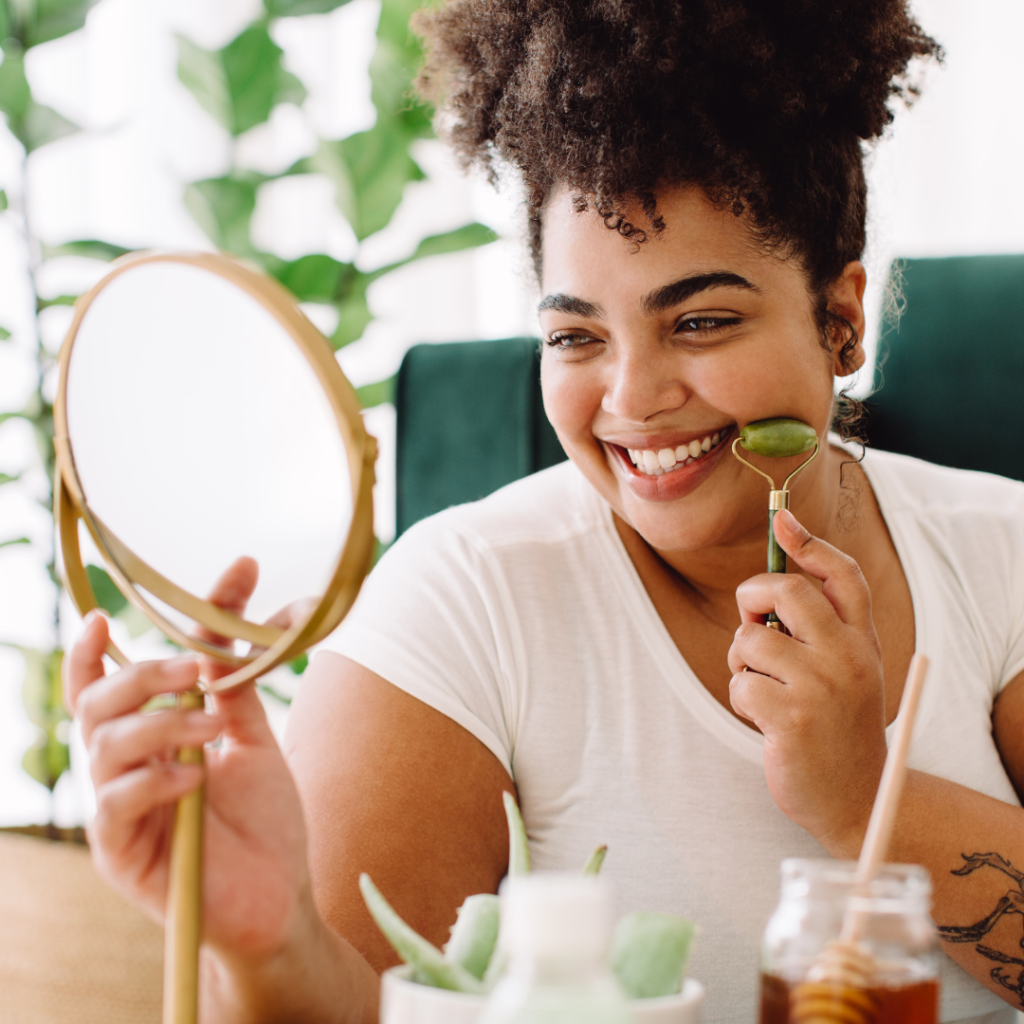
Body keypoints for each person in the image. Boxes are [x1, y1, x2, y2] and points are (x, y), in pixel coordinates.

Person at [63, 2, 1024, 1022]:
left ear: (838, 319)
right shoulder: (462, 602)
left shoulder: (997, 550)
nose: (633, 395)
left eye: (699, 320)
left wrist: (864, 791)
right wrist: (272, 946)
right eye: (576, 337)